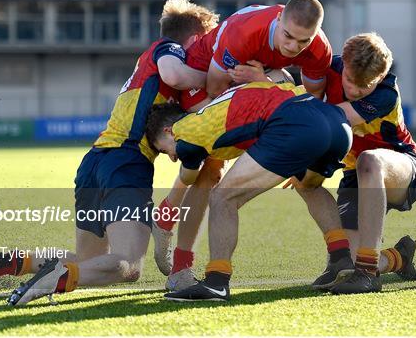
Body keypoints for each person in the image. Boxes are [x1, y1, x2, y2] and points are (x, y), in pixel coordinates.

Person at [0, 0, 219, 305]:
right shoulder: (169, 49)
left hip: (95, 163)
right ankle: (56, 277)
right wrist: (215, 79)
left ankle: (3, 262)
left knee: (88, 260)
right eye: (204, 44)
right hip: (125, 163)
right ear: (194, 39)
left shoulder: (145, 70)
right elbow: (176, 75)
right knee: (126, 265)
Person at [155, 0, 334, 290]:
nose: (292, 47)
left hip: (249, 90)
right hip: (209, 90)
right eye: (288, 36)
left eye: (302, 42)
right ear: (278, 20)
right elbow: (214, 87)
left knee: (296, 156)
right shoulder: (244, 31)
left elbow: (311, 99)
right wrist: (264, 81)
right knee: (210, 170)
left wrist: (263, 80)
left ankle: (341, 256)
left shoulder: (319, 49)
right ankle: (178, 254)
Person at [145, 80, 354, 301]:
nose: (171, 157)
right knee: (308, 185)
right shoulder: (218, 104)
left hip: (294, 124)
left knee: (222, 197)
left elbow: (188, 177)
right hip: (336, 123)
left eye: (163, 149)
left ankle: (216, 281)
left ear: (168, 130)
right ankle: (340, 257)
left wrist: (165, 214)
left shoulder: (184, 133)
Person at [288, 33, 416, 294]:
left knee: (369, 160)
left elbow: (333, 117)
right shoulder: (329, 68)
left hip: (404, 168)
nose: (354, 90)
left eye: (364, 87)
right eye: (350, 80)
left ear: (380, 76)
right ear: (344, 65)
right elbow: (291, 81)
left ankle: (367, 274)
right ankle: (396, 258)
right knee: (301, 177)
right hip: (355, 175)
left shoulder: (385, 92)